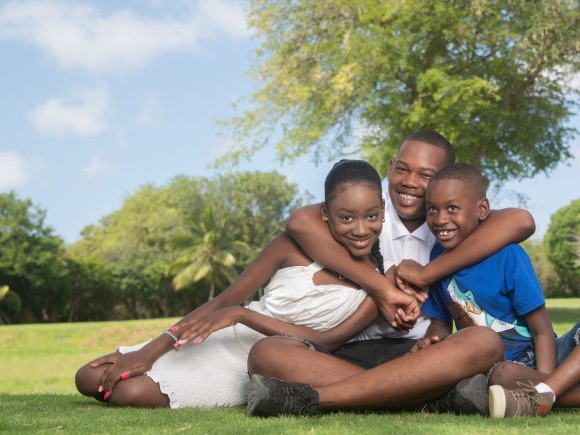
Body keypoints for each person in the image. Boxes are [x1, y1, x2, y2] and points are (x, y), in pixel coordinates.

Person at [74, 160, 395, 408]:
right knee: (87, 377)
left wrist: (242, 315)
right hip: (220, 337)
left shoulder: (377, 289)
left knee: (126, 393)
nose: (361, 229)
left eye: (371, 216)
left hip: (260, 363)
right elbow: (224, 301)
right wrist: (151, 349)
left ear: (382, 209)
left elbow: (325, 343)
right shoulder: (292, 246)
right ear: (325, 213)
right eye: (346, 217)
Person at [406, 163, 580, 418]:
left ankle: (544, 396)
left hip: (553, 359)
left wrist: (546, 381)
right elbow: (441, 325)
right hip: (503, 371)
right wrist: (432, 342)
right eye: (432, 209)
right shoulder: (437, 260)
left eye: (452, 208)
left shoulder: (509, 256)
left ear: (482, 210)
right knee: (502, 375)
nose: (440, 219)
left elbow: (542, 331)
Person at [283, 130, 536, 373]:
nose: (410, 182)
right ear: (390, 168)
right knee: (276, 355)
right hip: (353, 344)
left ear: (442, 181)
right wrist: (383, 290)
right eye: (402, 169)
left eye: (426, 176)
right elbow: (299, 222)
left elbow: (521, 221)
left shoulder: (448, 221)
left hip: (417, 345)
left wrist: (425, 275)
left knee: (464, 355)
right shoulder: (368, 208)